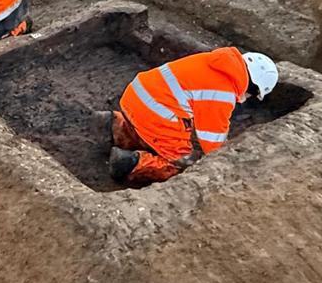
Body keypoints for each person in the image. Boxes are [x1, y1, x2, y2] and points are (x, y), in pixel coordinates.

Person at [106, 47, 279, 185]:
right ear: (254, 87)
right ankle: (130, 164)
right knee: (184, 165)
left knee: (163, 130)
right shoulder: (223, 92)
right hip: (154, 113)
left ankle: (115, 125)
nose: (244, 100)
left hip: (135, 96)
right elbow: (213, 146)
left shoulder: (216, 62)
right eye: (252, 95)